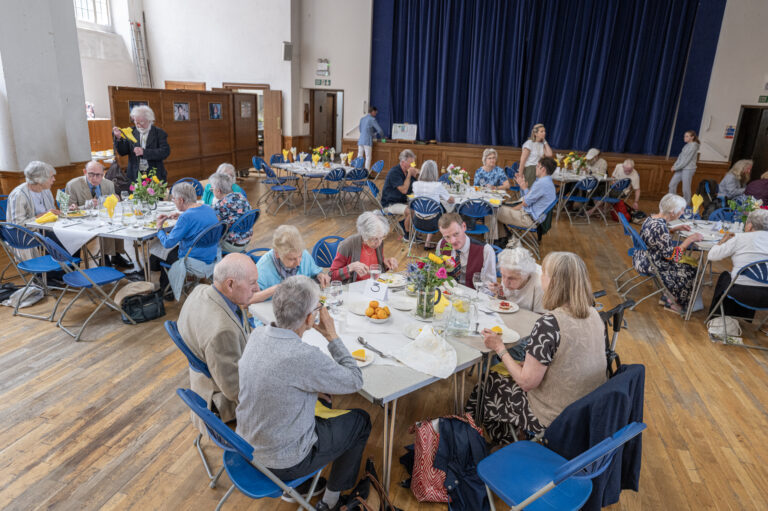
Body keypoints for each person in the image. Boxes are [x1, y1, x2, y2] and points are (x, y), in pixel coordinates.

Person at [236, 276, 369, 511]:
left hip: (246, 445)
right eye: (317, 309)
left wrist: (311, 389)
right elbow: (355, 380)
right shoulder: (304, 356)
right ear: (310, 317)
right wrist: (332, 336)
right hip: (284, 462)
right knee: (361, 420)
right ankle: (331, 500)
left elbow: (276, 377)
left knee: (325, 400)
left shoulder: (257, 335)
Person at [465, 252, 607, 444]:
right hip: (588, 409)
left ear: (554, 281)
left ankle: (484, 441)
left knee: (488, 383)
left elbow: (526, 383)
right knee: (507, 372)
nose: (540, 277)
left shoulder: (550, 323)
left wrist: (500, 348)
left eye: (544, 274)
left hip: (556, 415)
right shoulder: (593, 314)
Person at [177, 253, 260, 430]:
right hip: (219, 398)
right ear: (230, 284)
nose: (258, 289)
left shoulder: (200, 290)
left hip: (203, 379)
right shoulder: (222, 332)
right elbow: (235, 390)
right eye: (252, 283)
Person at [633, 194, 702, 314]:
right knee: (690, 269)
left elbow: (657, 239)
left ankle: (668, 296)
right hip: (650, 264)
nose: (682, 212)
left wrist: (674, 229)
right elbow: (673, 256)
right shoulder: (661, 228)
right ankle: (672, 302)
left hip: (640, 258)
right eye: (681, 210)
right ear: (672, 212)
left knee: (686, 266)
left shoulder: (651, 218)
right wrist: (689, 240)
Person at [150, 182, 220, 299]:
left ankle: (167, 292)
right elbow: (197, 221)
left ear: (181, 200)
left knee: (159, 248)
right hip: (212, 255)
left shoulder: (186, 217)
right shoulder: (208, 209)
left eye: (174, 199)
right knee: (164, 251)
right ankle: (163, 284)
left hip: (194, 259)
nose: (173, 201)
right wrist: (182, 216)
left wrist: (159, 228)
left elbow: (168, 243)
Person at [65, 161, 131, 268]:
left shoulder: (109, 184)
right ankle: (105, 258)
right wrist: (86, 206)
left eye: (99, 175)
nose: (94, 178)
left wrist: (116, 199)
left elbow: (113, 205)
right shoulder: (72, 185)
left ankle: (116, 255)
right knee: (106, 225)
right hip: (83, 222)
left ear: (103, 174)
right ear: (85, 172)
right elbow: (65, 209)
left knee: (114, 222)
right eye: (91, 174)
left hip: (103, 219)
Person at [707, 209, 768, 319]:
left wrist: (722, 241)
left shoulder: (740, 238)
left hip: (741, 292)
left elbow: (712, 255)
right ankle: (743, 317)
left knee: (726, 277)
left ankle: (719, 318)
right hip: (766, 296)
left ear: (749, 226)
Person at [253, 225, 330, 301]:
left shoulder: (304, 254)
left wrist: (320, 276)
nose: (298, 263)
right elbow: (247, 302)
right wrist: (276, 289)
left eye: (300, 256)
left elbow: (315, 273)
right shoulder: (262, 269)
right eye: (292, 259)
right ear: (277, 254)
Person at [496, 156, 557, 241]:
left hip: (528, 219)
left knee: (492, 210)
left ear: (542, 169)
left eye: (537, 166)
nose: (535, 168)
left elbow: (525, 203)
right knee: (499, 208)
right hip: (533, 218)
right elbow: (529, 198)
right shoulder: (548, 182)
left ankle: (497, 239)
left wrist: (512, 209)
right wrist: (523, 186)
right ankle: (503, 237)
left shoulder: (541, 184)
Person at [329, 212, 398, 282]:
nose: (379, 242)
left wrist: (386, 264)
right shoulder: (347, 245)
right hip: (354, 289)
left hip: (374, 285)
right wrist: (351, 267)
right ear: (364, 234)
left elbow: (376, 272)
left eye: (381, 237)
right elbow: (332, 276)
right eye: (374, 238)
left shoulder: (377, 243)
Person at [436, 213, 496, 289]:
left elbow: (489, 287)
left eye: (456, 234)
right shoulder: (441, 244)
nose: (452, 241)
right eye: (447, 237)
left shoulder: (486, 250)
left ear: (464, 227)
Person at [112, 105, 171, 182]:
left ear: (149, 120)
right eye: (136, 122)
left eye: (142, 122)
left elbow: (165, 152)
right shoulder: (131, 132)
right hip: (134, 175)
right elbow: (122, 152)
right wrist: (119, 138)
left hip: (154, 175)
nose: (139, 125)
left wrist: (144, 152)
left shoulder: (159, 133)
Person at [488, 246, 545, 314]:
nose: (505, 283)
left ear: (525, 275)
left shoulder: (541, 284)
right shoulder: (508, 270)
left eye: (511, 278)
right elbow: (507, 303)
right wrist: (499, 292)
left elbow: (541, 317)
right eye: (503, 275)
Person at [412, 160, 453, 248]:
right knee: (443, 211)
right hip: (433, 223)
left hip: (417, 221)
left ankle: (427, 242)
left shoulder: (415, 184)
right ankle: (436, 242)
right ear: (435, 172)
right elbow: (450, 200)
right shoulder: (437, 185)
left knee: (430, 209)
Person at [210, 173, 253, 253]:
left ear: (218, 191)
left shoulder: (221, 204)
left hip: (232, 244)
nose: (212, 191)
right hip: (246, 239)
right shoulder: (240, 196)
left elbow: (213, 225)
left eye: (212, 189)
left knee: (208, 239)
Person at [381, 149, 418, 236]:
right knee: (412, 211)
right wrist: (409, 175)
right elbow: (404, 190)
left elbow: (416, 186)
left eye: (413, 162)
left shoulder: (406, 171)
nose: (412, 165)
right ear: (403, 162)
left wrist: (417, 175)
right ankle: (407, 234)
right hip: (390, 203)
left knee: (420, 208)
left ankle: (404, 223)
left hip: (402, 201)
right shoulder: (394, 172)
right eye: (410, 162)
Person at [668, 130, 700, 205]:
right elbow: (680, 157)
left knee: (685, 188)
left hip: (688, 169)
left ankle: (686, 204)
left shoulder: (693, 146)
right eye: (684, 136)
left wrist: (675, 168)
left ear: (692, 137)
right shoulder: (687, 145)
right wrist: (675, 165)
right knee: (672, 184)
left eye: (687, 136)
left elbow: (686, 160)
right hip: (681, 168)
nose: (684, 137)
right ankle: (673, 202)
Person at [519, 124, 553, 188]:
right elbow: (522, 161)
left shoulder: (541, 144)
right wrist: (520, 175)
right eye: (542, 131)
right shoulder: (529, 143)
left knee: (536, 193)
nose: (544, 133)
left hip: (539, 170)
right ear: (536, 133)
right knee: (529, 192)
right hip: (530, 170)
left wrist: (545, 142)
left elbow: (549, 154)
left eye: (544, 131)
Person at [357, 106, 384, 171]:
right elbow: (380, 130)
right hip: (367, 141)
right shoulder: (372, 119)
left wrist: (372, 133)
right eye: (375, 113)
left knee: (359, 157)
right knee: (368, 157)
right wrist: (383, 138)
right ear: (372, 112)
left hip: (360, 140)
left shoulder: (362, 119)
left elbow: (360, 130)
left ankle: (357, 172)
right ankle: (366, 174)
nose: (376, 115)